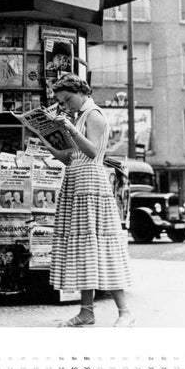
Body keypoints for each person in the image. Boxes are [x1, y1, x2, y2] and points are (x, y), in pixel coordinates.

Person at [47, 74, 134, 327]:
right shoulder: (79, 116)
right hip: (76, 181)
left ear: (81, 92)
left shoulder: (93, 114)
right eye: (62, 102)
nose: (66, 105)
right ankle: (87, 311)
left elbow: (94, 152)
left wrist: (70, 128)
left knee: (102, 247)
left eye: (68, 99)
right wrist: (45, 136)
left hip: (91, 185)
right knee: (85, 248)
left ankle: (125, 311)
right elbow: (70, 158)